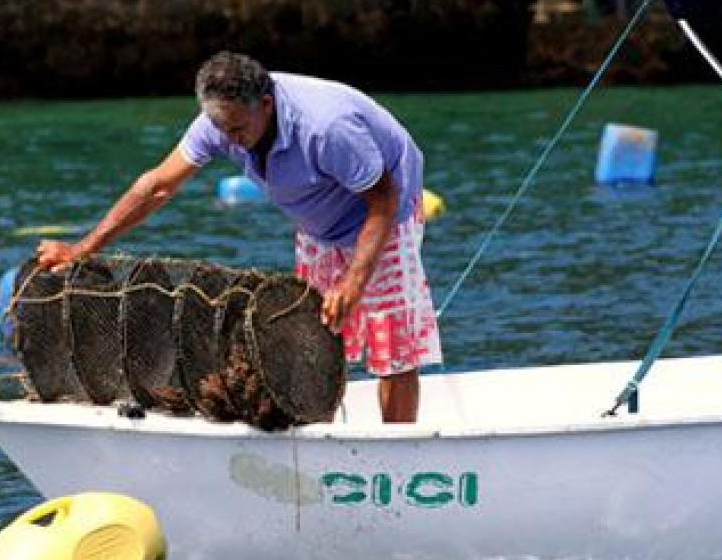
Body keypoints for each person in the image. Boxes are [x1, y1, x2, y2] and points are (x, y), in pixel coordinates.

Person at [35, 51, 442, 423]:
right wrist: (82, 248)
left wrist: (354, 281)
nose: (228, 138)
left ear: (266, 105)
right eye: (219, 127)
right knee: (314, 337)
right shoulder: (219, 122)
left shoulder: (326, 128)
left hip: (385, 213)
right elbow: (157, 185)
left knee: (392, 349)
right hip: (318, 222)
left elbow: (383, 199)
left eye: (237, 128)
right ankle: (323, 440)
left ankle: (395, 452)